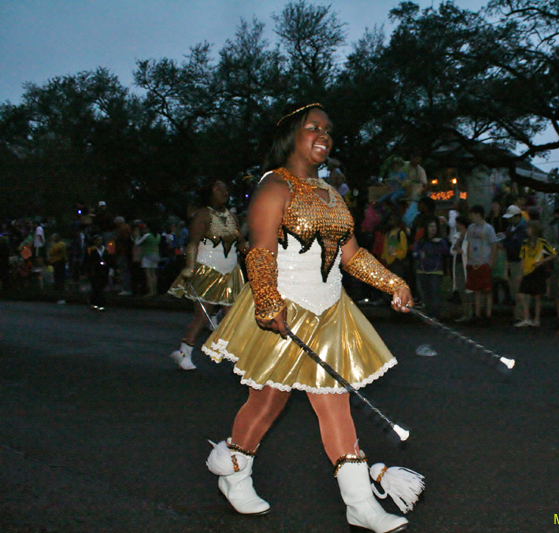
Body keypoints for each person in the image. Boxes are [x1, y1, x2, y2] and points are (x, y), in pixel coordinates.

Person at [200, 103, 420, 532]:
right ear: (291, 136)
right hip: (284, 305)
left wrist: (393, 283)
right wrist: (266, 299)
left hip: (329, 311)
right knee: (266, 400)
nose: (323, 135)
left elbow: (350, 254)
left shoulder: (331, 194)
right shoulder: (273, 187)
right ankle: (235, 470)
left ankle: (360, 505)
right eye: (312, 128)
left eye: (328, 129)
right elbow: (260, 251)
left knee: (335, 404)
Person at [166, 180, 246, 370]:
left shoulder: (233, 217)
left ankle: (239, 357)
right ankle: (184, 353)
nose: (224, 191)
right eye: (219, 188)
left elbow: (240, 242)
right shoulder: (202, 215)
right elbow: (193, 243)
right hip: (208, 269)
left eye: (226, 188)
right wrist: (190, 266)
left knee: (233, 316)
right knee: (202, 316)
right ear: (210, 193)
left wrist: (257, 252)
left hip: (230, 271)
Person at [515, 221, 556, 327]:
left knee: (537, 296)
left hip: (537, 270)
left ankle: (536, 319)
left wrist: (541, 261)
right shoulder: (525, 243)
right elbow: (522, 258)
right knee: (521, 294)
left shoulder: (542, 242)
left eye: (529, 228)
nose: (527, 230)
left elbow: (553, 254)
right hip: (527, 271)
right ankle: (526, 317)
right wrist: (521, 272)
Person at [465, 204, 497, 323]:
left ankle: (488, 315)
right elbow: (469, 243)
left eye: (472, 214)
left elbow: (494, 244)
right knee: (476, 290)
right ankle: (477, 315)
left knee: (487, 290)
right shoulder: (470, 228)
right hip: (474, 262)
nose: (471, 217)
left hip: (484, 262)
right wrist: (469, 259)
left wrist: (491, 261)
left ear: (478, 214)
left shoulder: (488, 228)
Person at [412, 218, 449, 319]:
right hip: (422, 270)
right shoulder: (421, 241)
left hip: (436, 271)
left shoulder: (440, 241)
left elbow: (446, 252)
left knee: (435, 293)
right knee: (426, 294)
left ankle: (435, 315)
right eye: (431, 226)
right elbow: (414, 253)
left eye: (435, 227)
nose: (433, 229)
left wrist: (441, 242)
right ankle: (429, 314)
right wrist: (420, 254)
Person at [134, 222, 160, 297]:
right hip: (156, 255)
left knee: (148, 273)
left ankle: (150, 291)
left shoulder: (147, 235)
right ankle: (154, 290)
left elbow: (137, 243)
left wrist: (137, 236)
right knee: (154, 274)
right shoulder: (158, 236)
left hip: (147, 255)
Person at [85, 234, 110, 310]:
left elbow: (110, 259)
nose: (99, 242)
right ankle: (99, 303)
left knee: (101, 286)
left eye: (100, 240)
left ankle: (94, 301)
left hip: (104, 271)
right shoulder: (91, 250)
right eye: (97, 240)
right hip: (94, 271)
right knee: (96, 286)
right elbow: (87, 261)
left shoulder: (106, 250)